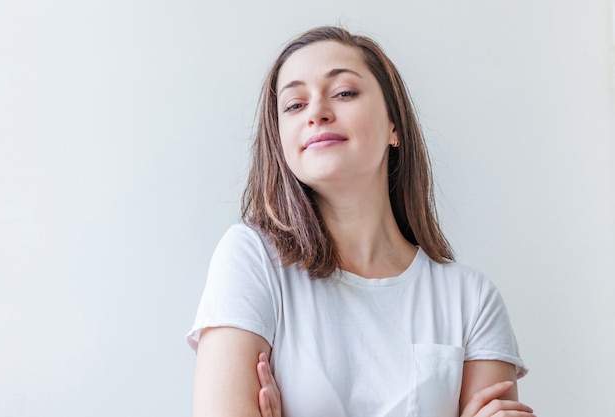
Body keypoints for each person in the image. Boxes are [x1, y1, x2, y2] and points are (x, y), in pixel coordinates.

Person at [187, 26, 533, 417]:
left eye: (344, 93)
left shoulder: (471, 301)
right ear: (281, 141)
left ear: (394, 126)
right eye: (294, 105)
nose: (316, 112)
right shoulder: (252, 260)